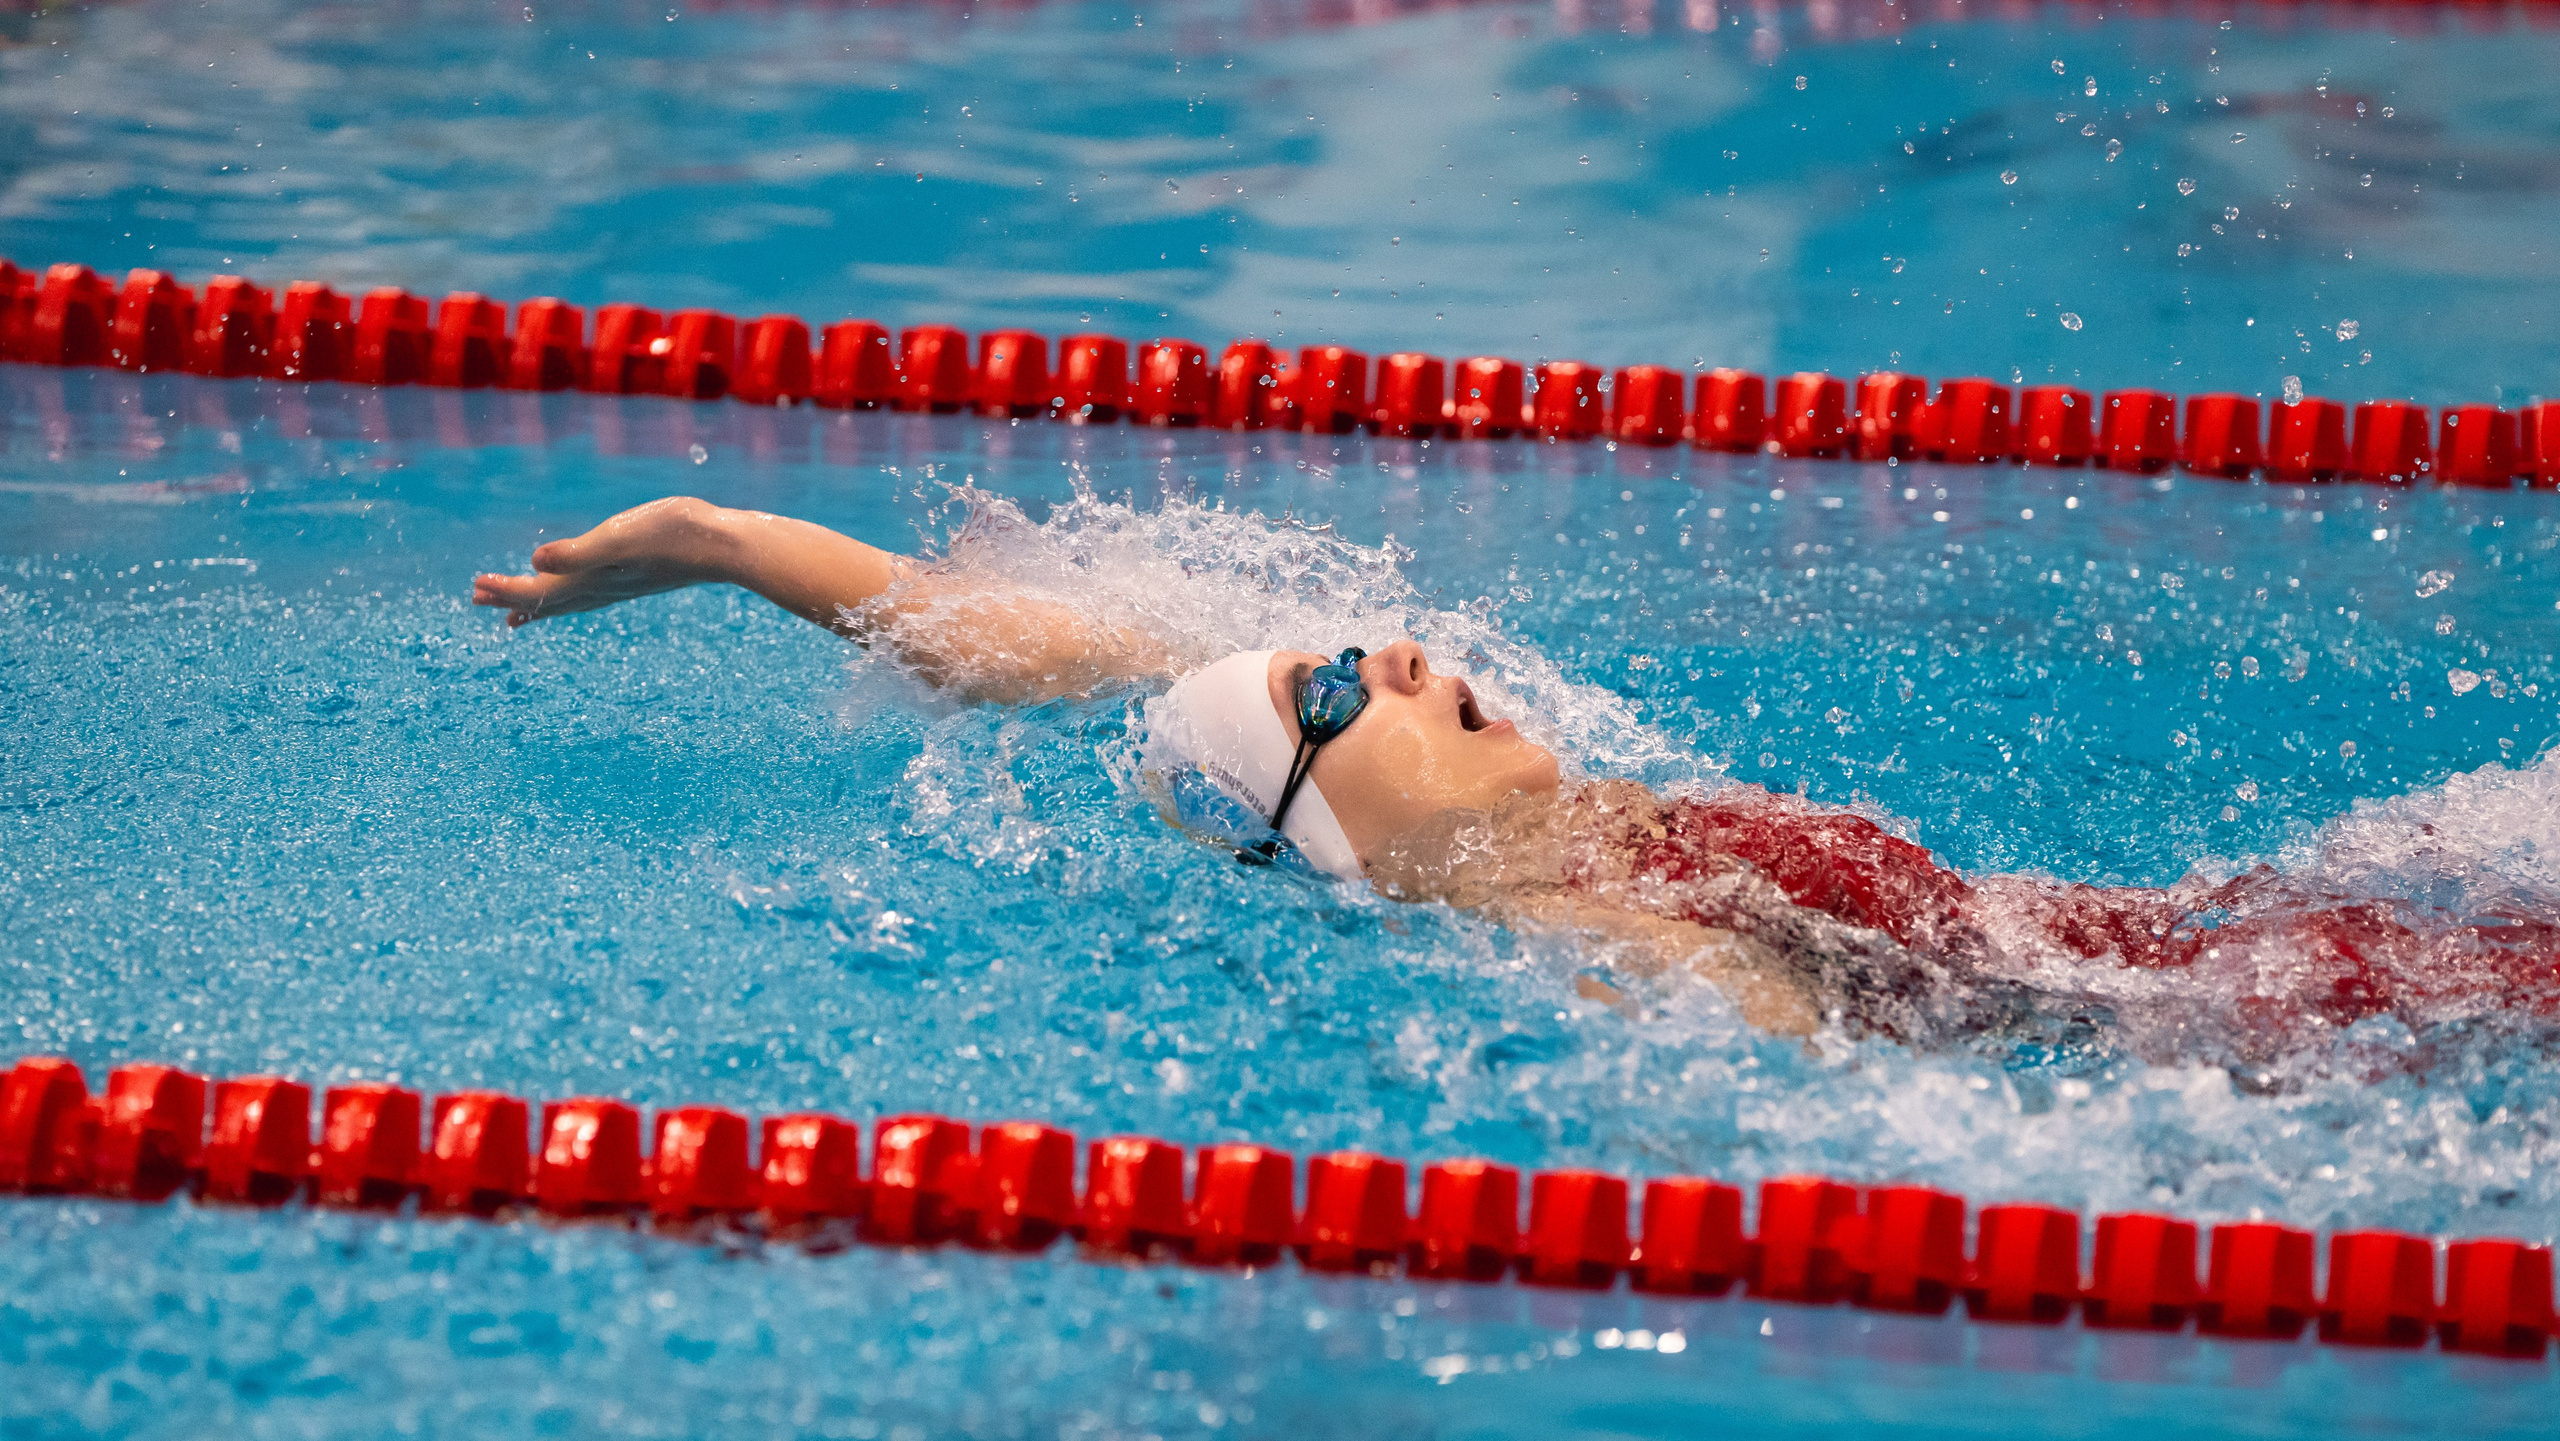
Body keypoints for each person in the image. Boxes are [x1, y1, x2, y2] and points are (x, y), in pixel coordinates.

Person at [475, 496, 2557, 1064]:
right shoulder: (1600, 933)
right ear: (1339, 833)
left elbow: (1026, 640)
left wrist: (720, 540)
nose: (1392, 652)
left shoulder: (1510, 819)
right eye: (1338, 690)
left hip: (2229, 939)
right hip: (2280, 1015)